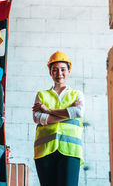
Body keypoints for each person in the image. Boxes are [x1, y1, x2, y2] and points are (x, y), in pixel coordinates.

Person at [32, 51, 84, 186]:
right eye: (54, 70)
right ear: (50, 72)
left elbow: (78, 112)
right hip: (45, 151)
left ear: (69, 71)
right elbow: (37, 117)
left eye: (63, 69)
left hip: (70, 151)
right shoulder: (41, 95)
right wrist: (68, 114)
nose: (59, 73)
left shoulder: (77, 94)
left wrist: (49, 111)